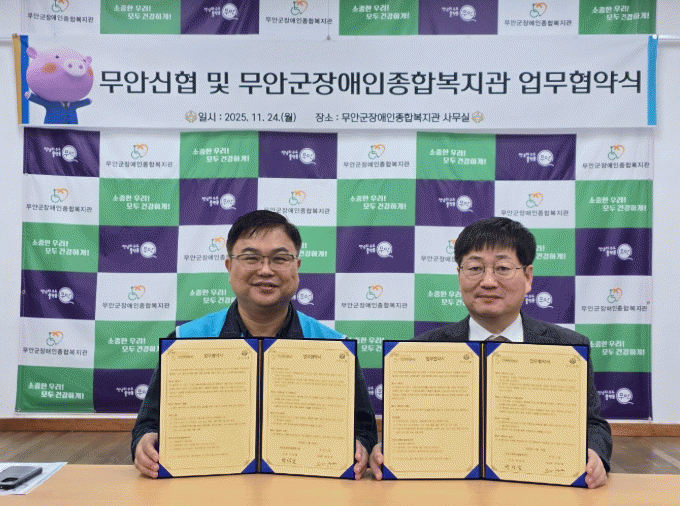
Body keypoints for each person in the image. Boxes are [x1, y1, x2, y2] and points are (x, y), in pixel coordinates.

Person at [132, 210, 378, 479]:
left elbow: (363, 428)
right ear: (229, 267)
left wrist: (361, 446)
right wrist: (146, 441)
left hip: (306, 483)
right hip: (210, 483)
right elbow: (149, 423)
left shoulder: (335, 348)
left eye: (280, 259)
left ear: (297, 266)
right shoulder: (185, 341)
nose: (265, 270)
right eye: (251, 258)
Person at [368, 217, 612, 488]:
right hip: (447, 489)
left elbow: (593, 425)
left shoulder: (566, 349)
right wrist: (387, 450)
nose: (488, 282)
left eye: (502, 268)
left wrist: (595, 455)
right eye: (474, 268)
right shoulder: (420, 353)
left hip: (540, 486)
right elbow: (409, 427)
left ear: (528, 277)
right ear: (459, 274)